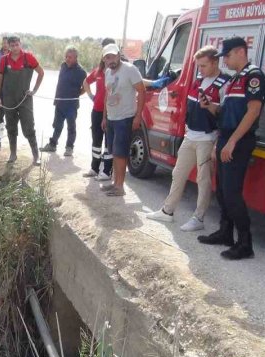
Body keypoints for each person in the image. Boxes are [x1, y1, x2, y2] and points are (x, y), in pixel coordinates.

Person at [146, 46, 230, 231]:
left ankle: (198, 218)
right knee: (178, 173)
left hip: (207, 139)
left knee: (203, 179)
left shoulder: (225, 84)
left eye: (203, 66)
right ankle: (167, 211)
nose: (200, 70)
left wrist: (216, 140)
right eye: (198, 66)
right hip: (190, 136)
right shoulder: (198, 81)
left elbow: (226, 116)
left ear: (215, 62)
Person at [197, 37, 265, 260]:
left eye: (226, 56)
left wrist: (233, 141)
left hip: (239, 140)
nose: (224, 60)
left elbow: (253, 111)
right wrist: (209, 106)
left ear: (240, 52)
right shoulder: (234, 79)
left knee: (233, 193)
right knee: (223, 191)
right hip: (226, 137)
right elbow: (225, 114)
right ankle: (225, 232)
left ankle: (245, 244)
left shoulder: (254, 76)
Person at [99, 43, 145, 197]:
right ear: (104, 60)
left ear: (119, 55)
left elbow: (142, 91)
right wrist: (104, 117)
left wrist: (138, 116)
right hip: (111, 118)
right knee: (113, 152)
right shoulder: (108, 73)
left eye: (112, 56)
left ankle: (120, 186)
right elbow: (107, 95)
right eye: (107, 58)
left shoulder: (130, 70)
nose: (110, 60)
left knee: (121, 153)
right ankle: (115, 183)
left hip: (125, 118)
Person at [0, 36, 44, 165]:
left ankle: (35, 155)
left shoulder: (28, 58)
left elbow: (41, 72)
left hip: (24, 98)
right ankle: (13, 153)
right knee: (10, 126)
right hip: (8, 99)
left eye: (17, 45)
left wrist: (34, 90)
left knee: (28, 127)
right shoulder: (4, 60)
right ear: (8, 46)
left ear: (20, 44)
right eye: (12, 45)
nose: (15, 47)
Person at [40, 46, 87, 157]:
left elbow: (85, 88)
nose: (67, 59)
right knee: (57, 125)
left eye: (70, 57)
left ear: (76, 57)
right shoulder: (63, 66)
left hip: (71, 105)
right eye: (66, 56)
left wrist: (76, 94)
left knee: (71, 127)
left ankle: (69, 148)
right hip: (59, 103)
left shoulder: (81, 72)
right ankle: (52, 145)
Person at [81, 39, 115, 180]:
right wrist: (91, 96)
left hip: (111, 112)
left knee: (109, 143)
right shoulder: (99, 70)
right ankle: (94, 168)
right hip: (97, 111)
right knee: (96, 141)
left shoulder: (117, 70)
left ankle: (107, 171)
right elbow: (86, 82)